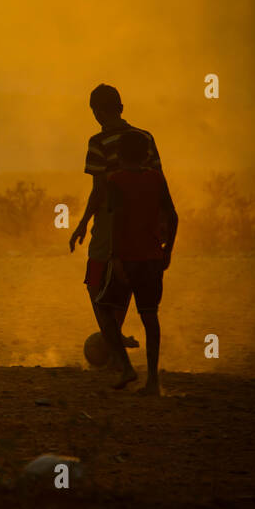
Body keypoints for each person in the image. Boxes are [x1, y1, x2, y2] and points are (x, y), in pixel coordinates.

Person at [69, 84, 160, 360]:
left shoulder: (97, 143)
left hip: (110, 220)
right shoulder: (145, 137)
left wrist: (83, 222)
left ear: (95, 112)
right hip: (146, 218)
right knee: (132, 275)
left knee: (96, 276)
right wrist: (163, 220)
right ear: (121, 107)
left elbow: (99, 190)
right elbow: (158, 179)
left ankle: (112, 336)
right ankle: (118, 338)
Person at [98, 130, 178, 395]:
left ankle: (126, 367)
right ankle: (153, 381)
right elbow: (173, 216)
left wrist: (115, 258)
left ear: (119, 155)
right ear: (146, 154)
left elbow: (117, 222)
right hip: (153, 260)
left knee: (106, 314)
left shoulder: (116, 180)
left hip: (128, 260)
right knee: (150, 316)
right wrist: (167, 252)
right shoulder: (156, 178)